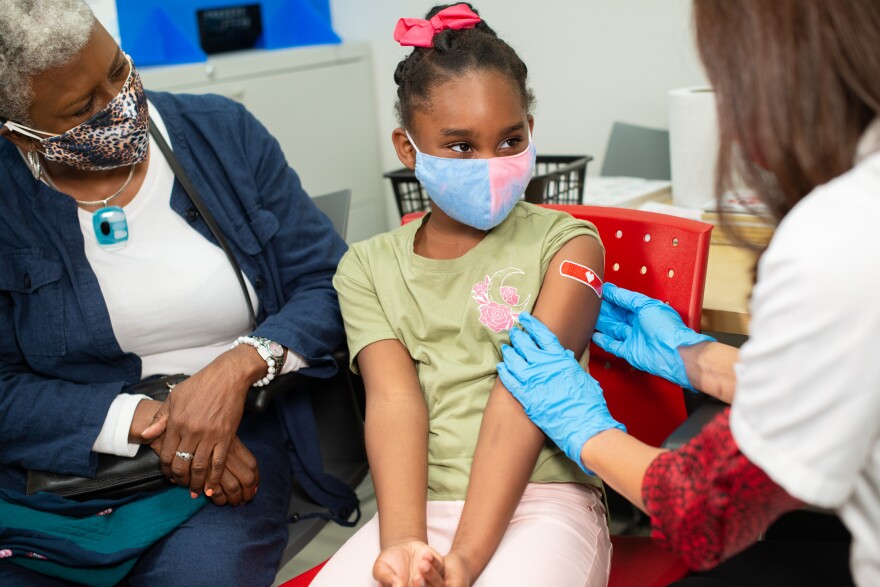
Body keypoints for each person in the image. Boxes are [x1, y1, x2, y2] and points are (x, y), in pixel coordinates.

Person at [498, 1, 880, 586]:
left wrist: (585, 427)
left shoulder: (842, 236)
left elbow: (705, 511)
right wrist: (702, 361)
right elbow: (848, 373)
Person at [0, 1, 347, 585]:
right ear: (18, 132)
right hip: (55, 483)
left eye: (118, 70)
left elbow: (330, 284)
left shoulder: (223, 135)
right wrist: (146, 418)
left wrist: (238, 366)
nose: (119, 103)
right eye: (84, 108)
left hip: (230, 457)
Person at [314, 4, 614, 586]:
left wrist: (466, 561)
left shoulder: (568, 245)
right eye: (459, 146)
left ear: (531, 133)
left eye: (510, 140)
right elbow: (395, 404)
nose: (492, 165)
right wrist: (404, 544)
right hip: (418, 507)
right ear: (408, 149)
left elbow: (523, 399)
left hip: (545, 499)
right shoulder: (367, 269)